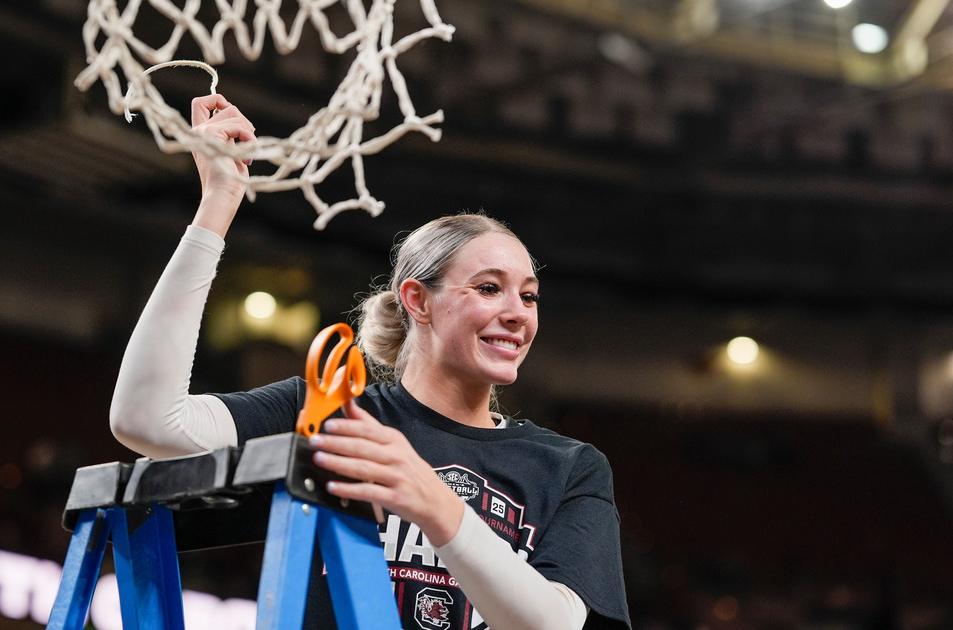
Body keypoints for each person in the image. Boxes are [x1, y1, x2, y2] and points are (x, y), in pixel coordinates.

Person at [110, 94, 630, 630]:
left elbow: (560, 624)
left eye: (529, 296)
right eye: (489, 288)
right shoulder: (332, 414)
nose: (517, 313)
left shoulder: (569, 466)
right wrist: (218, 202)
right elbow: (146, 419)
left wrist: (435, 503)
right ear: (417, 300)